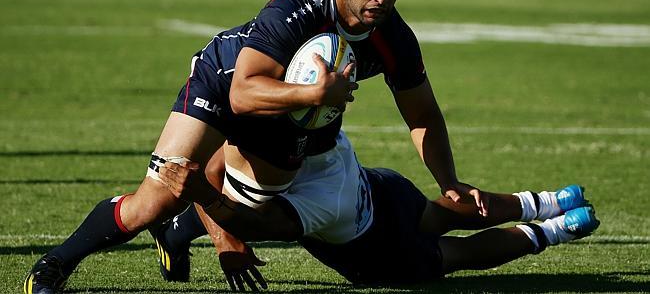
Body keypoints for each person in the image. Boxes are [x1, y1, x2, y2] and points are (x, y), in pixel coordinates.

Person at [24, 0, 487, 292]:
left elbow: (422, 115)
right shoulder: (298, 6)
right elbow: (244, 93)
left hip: (284, 110)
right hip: (225, 79)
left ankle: (180, 232)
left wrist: (449, 183)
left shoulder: (393, 37)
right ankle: (54, 265)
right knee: (156, 199)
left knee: (260, 202)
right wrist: (313, 95)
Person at [156, 131, 600, 290]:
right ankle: (551, 207)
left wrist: (209, 205)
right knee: (446, 216)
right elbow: (246, 210)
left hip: (373, 240)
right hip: (381, 200)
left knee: (456, 250)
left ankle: (555, 226)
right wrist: (213, 217)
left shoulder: (296, 183)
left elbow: (254, 220)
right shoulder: (325, 137)